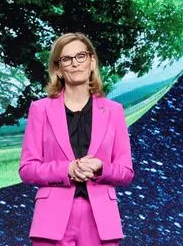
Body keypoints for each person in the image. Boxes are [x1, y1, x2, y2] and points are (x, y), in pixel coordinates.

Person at [19, 32, 134, 245]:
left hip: (101, 220)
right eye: (66, 59)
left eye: (81, 56)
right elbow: (27, 169)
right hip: (52, 219)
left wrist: (101, 168)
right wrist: (66, 170)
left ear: (92, 62)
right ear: (58, 70)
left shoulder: (114, 111)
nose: (75, 64)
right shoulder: (40, 109)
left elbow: (126, 171)